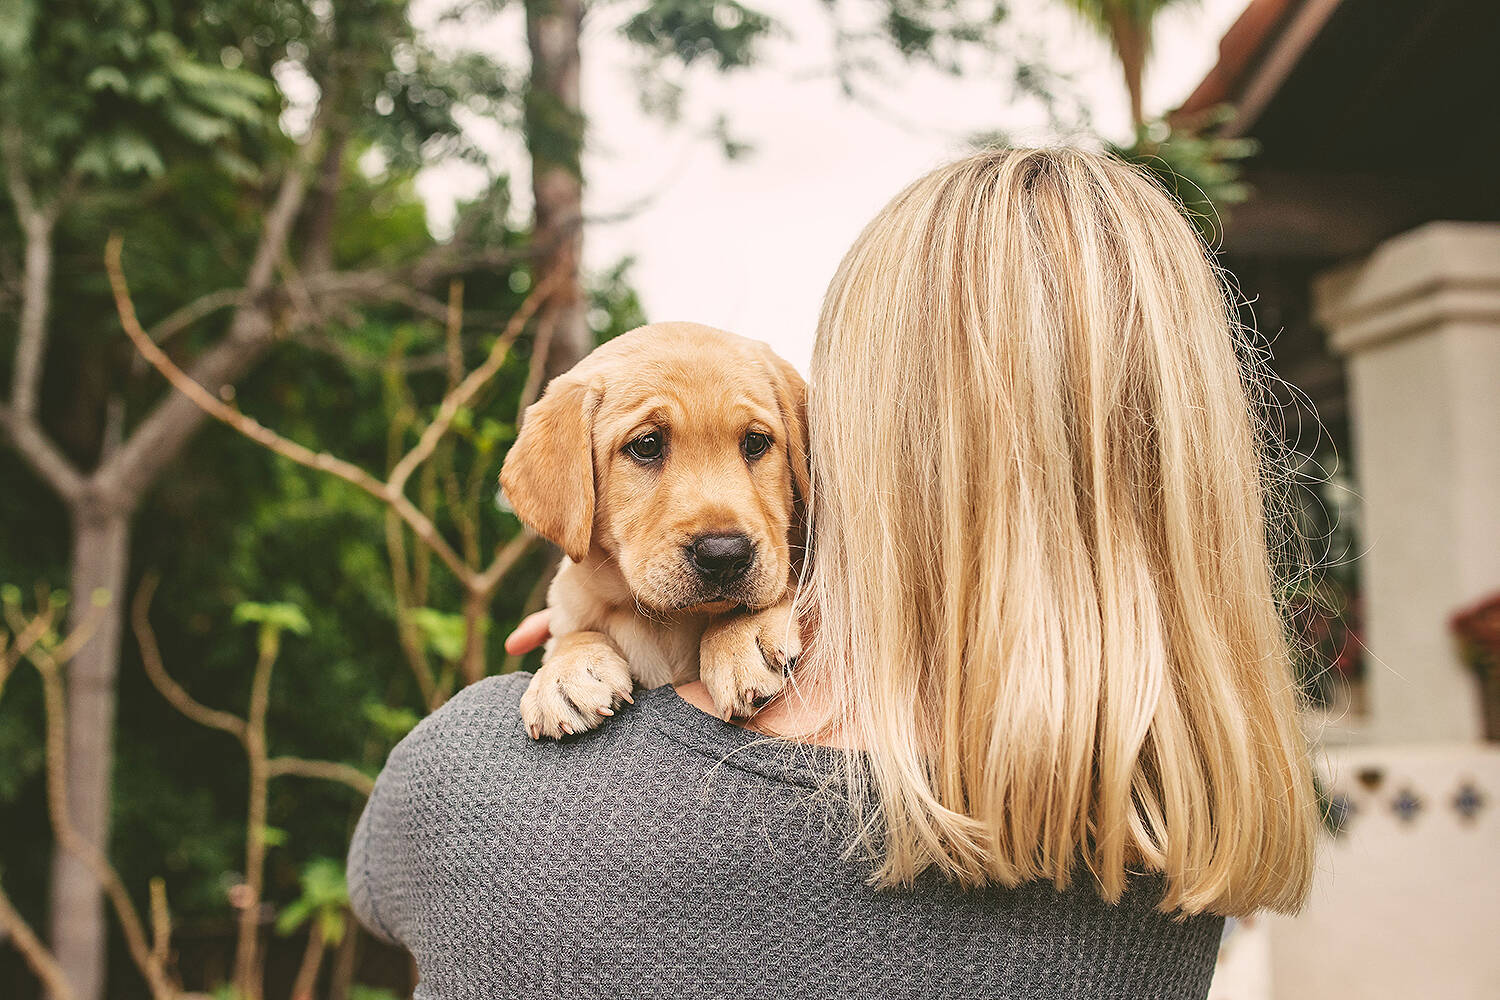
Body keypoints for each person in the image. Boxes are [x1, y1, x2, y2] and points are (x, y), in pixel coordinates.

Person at [346, 147, 1319, 999]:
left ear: (842, 442)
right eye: (648, 447)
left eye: (765, 442)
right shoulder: (1169, 825)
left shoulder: (478, 782)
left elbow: (377, 888)